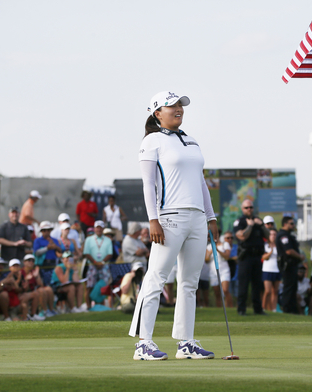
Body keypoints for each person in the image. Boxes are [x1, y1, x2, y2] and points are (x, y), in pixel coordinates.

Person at [129, 91, 217, 361]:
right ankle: (144, 343)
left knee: (189, 283)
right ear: (158, 113)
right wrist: (153, 219)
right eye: (172, 105)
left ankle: (186, 343)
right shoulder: (152, 141)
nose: (178, 108)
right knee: (156, 278)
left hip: (197, 218)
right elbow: (147, 184)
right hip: (169, 217)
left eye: (180, 105)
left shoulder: (191, 141)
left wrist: (211, 217)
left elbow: (201, 183)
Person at [234, 199, 270, 316]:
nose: (249, 209)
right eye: (246, 208)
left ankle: (258, 309)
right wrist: (250, 226)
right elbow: (242, 237)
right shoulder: (240, 222)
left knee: (257, 285)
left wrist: (262, 226)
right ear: (242, 209)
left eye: (251, 207)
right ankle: (241, 309)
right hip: (246, 257)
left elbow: (269, 236)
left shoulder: (258, 221)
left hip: (257, 257)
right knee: (243, 284)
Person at [276, 216, 305, 314]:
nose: (293, 225)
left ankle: (292, 309)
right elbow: (288, 251)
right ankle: (287, 309)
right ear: (285, 224)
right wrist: (299, 256)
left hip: (292, 265)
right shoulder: (283, 236)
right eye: (291, 223)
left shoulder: (289, 235)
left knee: (293, 288)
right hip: (287, 266)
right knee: (288, 288)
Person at [83, 220, 113, 309]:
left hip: (104, 265)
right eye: (97, 227)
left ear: (103, 229)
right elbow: (86, 253)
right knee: (89, 286)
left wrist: (102, 262)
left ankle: (101, 306)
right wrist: (95, 262)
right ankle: (88, 307)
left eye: (100, 228)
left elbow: (110, 254)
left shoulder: (108, 240)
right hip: (92, 265)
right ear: (95, 228)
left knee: (103, 286)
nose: (98, 229)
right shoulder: (89, 239)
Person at [206, 230, 233, 309]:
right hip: (213, 272)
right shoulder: (208, 247)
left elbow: (227, 256)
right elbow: (206, 259)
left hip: (224, 271)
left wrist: (217, 249)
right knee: (217, 293)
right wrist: (212, 249)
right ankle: (219, 309)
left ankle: (230, 308)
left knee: (225, 290)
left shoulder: (225, 244)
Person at [18, 254, 46, 321]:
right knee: (35, 293)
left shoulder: (34, 271)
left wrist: (36, 276)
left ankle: (41, 312)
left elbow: (41, 285)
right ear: (24, 262)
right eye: (29, 260)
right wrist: (26, 279)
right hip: (21, 293)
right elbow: (23, 288)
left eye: (32, 261)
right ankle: (31, 315)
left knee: (44, 290)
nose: (31, 262)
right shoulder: (20, 272)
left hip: (30, 291)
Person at [33, 221, 61, 286]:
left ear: (50, 230)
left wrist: (55, 246)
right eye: (44, 230)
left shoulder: (54, 240)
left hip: (53, 264)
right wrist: (47, 248)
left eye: (48, 230)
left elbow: (60, 251)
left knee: (54, 284)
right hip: (43, 265)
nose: (46, 232)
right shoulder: (37, 240)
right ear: (41, 231)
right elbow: (36, 253)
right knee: (44, 284)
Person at [261, 229, 280, 312]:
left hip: (277, 270)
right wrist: (271, 251)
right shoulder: (265, 245)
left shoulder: (279, 246)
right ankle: (263, 308)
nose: (273, 236)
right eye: (271, 234)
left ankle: (274, 309)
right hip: (267, 269)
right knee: (268, 291)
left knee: (275, 291)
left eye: (275, 234)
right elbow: (264, 257)